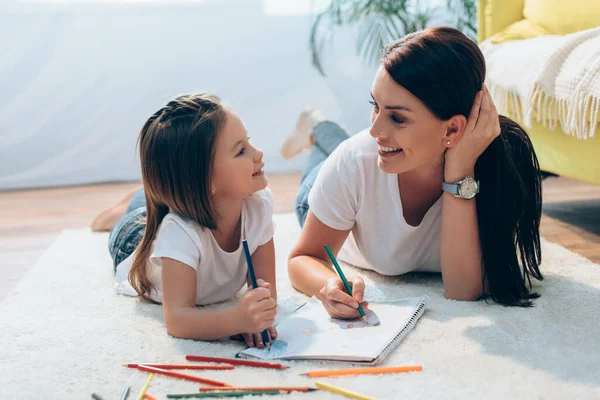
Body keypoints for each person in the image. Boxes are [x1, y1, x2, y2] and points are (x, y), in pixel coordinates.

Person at [284, 27, 543, 320]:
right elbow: (303, 258)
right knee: (339, 152)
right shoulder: (353, 161)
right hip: (322, 196)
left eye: (397, 117)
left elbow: (463, 291)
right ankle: (318, 127)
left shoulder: (498, 167)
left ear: (453, 129)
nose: (375, 129)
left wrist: (459, 173)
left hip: (388, 162)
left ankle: (319, 127)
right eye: (375, 106)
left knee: (366, 146)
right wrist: (326, 285)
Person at [96, 94, 277, 347]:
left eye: (249, 141)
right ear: (206, 181)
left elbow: (267, 294)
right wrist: (235, 319)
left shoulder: (259, 205)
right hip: (134, 240)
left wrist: (257, 317)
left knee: (155, 203)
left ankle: (147, 194)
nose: (258, 153)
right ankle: (136, 200)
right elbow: (177, 320)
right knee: (133, 217)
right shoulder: (180, 234)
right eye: (241, 151)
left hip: (188, 201)